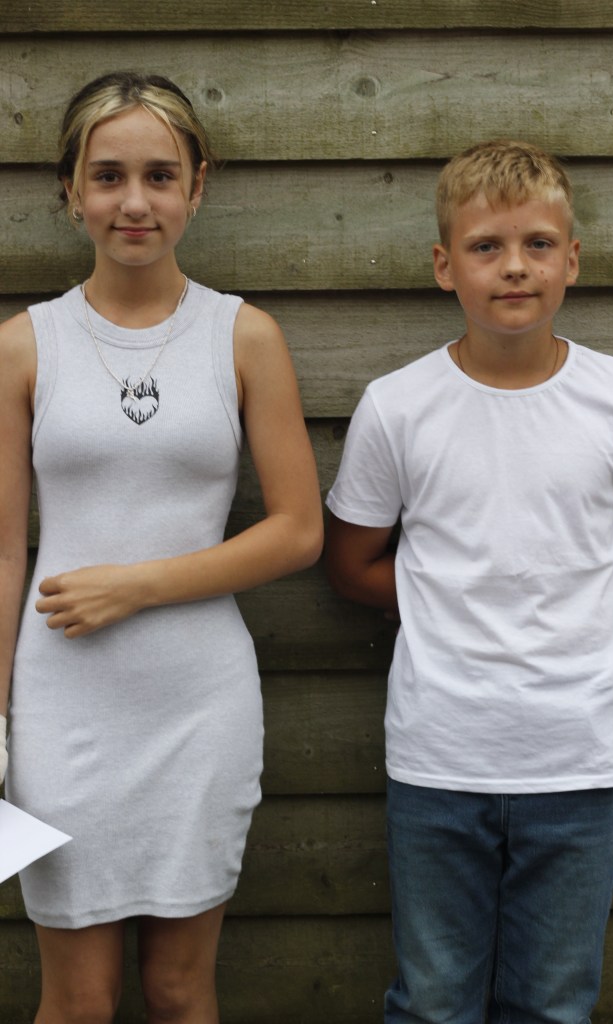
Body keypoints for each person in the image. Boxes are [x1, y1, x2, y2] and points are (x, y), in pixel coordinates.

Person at [325, 140, 613, 1023]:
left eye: (536, 244)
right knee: (433, 1001)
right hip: (439, 757)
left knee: (552, 1003)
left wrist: (564, 594)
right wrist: (456, 599)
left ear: (572, 260)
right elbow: (351, 563)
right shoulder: (397, 407)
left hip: (580, 759)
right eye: (485, 246)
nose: (513, 266)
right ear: (444, 265)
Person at [0, 71, 322, 1024]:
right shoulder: (23, 347)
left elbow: (298, 529)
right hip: (61, 713)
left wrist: (137, 586)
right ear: (71, 190)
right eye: (107, 176)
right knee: (79, 1000)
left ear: (197, 186)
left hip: (198, 707)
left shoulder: (244, 337)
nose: (133, 202)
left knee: (180, 991)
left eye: (159, 175)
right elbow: (3, 553)